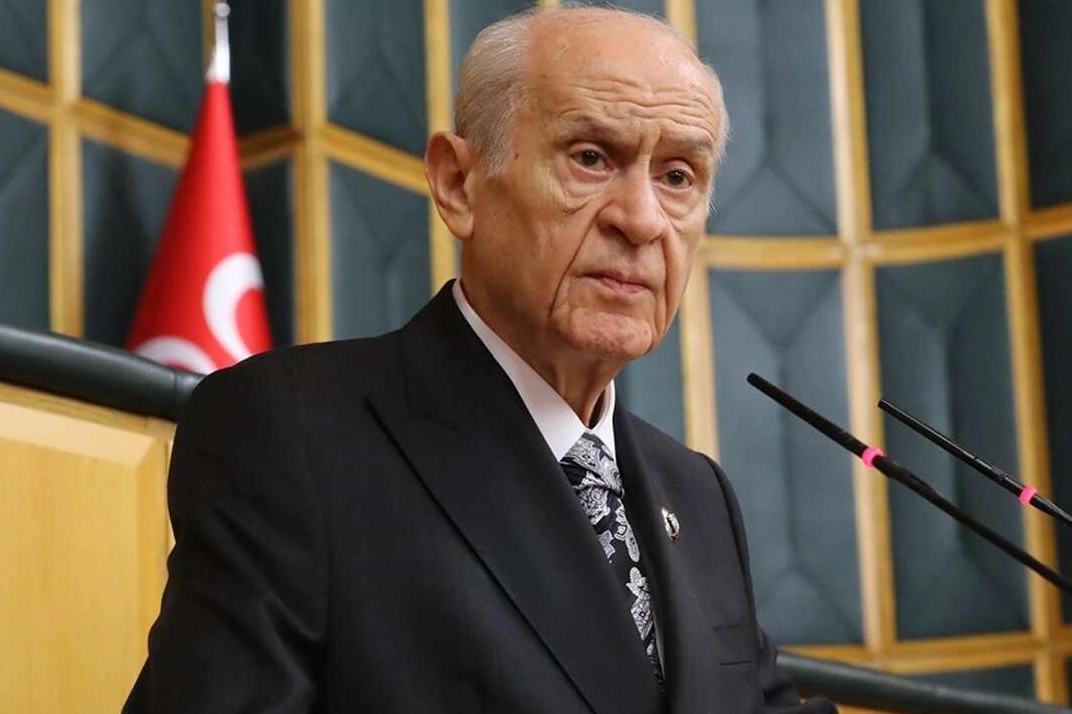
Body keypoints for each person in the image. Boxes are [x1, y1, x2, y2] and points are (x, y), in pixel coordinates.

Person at [124, 7, 836, 713]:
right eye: (591, 158)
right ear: (458, 184)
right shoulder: (292, 435)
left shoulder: (698, 495)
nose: (643, 219)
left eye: (678, 176)